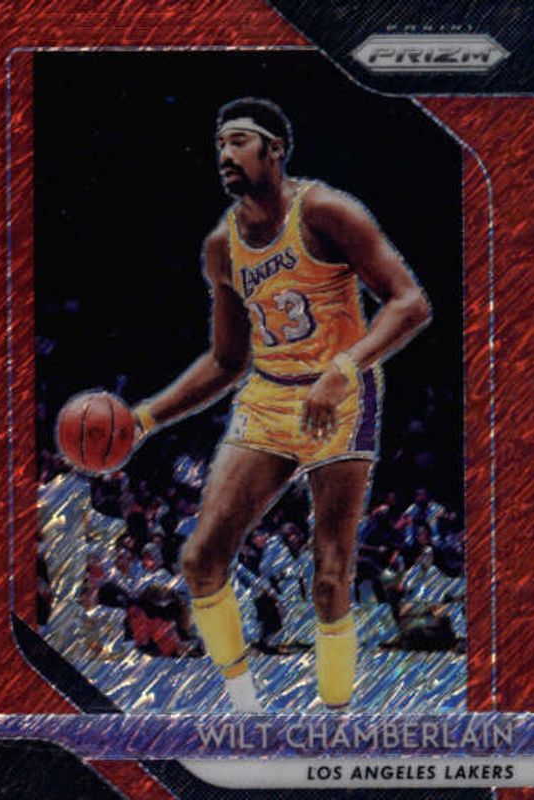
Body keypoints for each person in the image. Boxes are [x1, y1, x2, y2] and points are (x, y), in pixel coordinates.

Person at [132, 97, 431, 710]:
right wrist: (145, 418)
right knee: (200, 559)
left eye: (239, 141)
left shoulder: (324, 210)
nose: (225, 154)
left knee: (329, 577)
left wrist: (343, 368)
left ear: (275, 150)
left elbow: (409, 303)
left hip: (340, 395)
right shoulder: (221, 246)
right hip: (268, 394)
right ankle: (246, 711)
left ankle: (335, 721)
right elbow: (226, 361)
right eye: (220, 144)